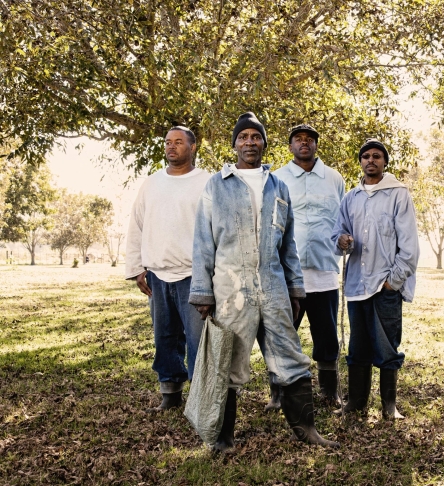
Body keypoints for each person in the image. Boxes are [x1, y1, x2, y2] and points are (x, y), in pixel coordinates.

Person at [188, 112, 338, 451]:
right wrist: (202, 292)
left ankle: (307, 430)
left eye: (256, 137)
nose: (250, 142)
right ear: (235, 144)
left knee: (290, 355)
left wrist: (295, 288)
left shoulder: (278, 186)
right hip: (230, 289)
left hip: (272, 287)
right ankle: (222, 438)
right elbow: (202, 242)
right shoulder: (217, 185)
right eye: (243, 137)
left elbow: (288, 246)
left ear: (264, 143)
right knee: (227, 359)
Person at [332, 139, 419, 420]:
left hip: (385, 285)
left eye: (377, 156)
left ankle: (389, 406)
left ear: (384, 162)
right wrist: (342, 240)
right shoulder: (351, 197)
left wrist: (393, 281)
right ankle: (356, 402)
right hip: (357, 284)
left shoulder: (398, 194)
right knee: (358, 347)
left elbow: (409, 245)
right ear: (360, 162)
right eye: (366, 156)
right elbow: (337, 233)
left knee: (386, 345)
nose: (371, 160)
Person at [125, 126, 211, 412]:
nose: (171, 147)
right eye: (167, 142)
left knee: (198, 340)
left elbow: (217, 230)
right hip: (157, 275)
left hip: (194, 275)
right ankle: (170, 394)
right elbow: (137, 226)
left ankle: (201, 399)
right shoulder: (151, 183)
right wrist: (137, 267)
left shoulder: (207, 182)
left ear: (193, 147)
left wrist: (213, 275)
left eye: (178, 142)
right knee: (165, 337)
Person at [270, 123, 345, 410]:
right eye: (298, 139)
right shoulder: (277, 178)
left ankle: (329, 391)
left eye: (310, 139)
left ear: (316, 145)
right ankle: (278, 393)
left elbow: (342, 220)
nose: (304, 143)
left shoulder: (334, 178)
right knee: (283, 334)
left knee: (326, 335)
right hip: (288, 275)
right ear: (290, 146)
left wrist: (344, 241)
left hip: (324, 271)